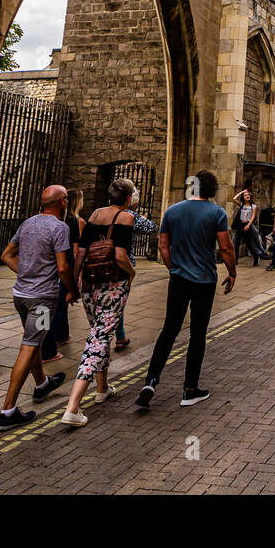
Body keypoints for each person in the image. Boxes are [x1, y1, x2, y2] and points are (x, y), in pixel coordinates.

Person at [136, 170, 237, 408]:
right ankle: (190, 389)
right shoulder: (217, 213)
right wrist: (232, 273)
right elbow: (226, 248)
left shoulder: (172, 211)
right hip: (204, 281)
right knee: (197, 334)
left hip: (178, 279)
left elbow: (163, 246)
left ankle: (150, 381)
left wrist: (174, 268)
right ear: (211, 189)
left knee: (169, 330)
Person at [61, 179, 156, 427]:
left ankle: (102, 388)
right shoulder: (125, 217)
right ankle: (72, 407)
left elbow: (81, 252)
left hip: (90, 283)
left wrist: (74, 287)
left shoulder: (94, 214)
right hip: (113, 285)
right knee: (99, 340)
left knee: (99, 333)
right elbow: (119, 255)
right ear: (127, 199)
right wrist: (132, 273)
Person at [0, 185, 77, 430]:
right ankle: (7, 410)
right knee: (29, 347)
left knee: (34, 342)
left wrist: (26, 274)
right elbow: (63, 268)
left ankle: (42, 384)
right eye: (67, 199)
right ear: (63, 201)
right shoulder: (59, 228)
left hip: (21, 295)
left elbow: (6, 255)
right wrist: (73, 290)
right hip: (41, 300)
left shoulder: (28, 223)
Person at [42, 188, 85, 364]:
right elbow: (69, 259)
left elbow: (8, 254)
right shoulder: (68, 224)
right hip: (55, 277)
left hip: (33, 283)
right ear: (62, 201)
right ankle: (47, 350)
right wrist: (74, 284)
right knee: (53, 310)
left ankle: (58, 336)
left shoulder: (32, 223)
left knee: (47, 314)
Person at [233, 188, 267, 264]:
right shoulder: (241, 204)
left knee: (249, 244)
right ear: (243, 197)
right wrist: (242, 192)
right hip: (240, 225)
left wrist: (248, 225)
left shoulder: (253, 206)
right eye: (245, 195)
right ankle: (235, 261)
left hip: (248, 224)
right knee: (236, 243)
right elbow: (234, 199)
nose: (247, 196)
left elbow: (253, 217)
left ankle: (256, 257)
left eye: (248, 194)